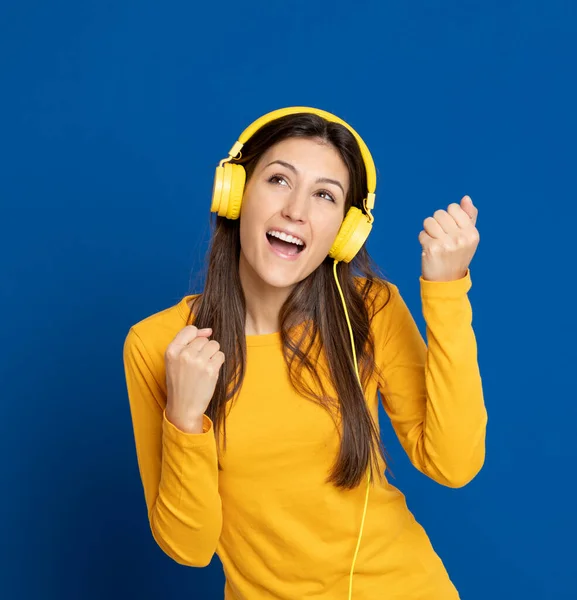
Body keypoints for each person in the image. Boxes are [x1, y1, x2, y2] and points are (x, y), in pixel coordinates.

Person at [122, 106, 487, 599]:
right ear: (235, 194)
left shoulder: (369, 310)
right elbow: (190, 547)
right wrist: (185, 418)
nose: (296, 210)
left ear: (344, 229)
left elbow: (454, 462)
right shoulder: (158, 345)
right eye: (278, 180)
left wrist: (446, 292)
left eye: (324, 195)